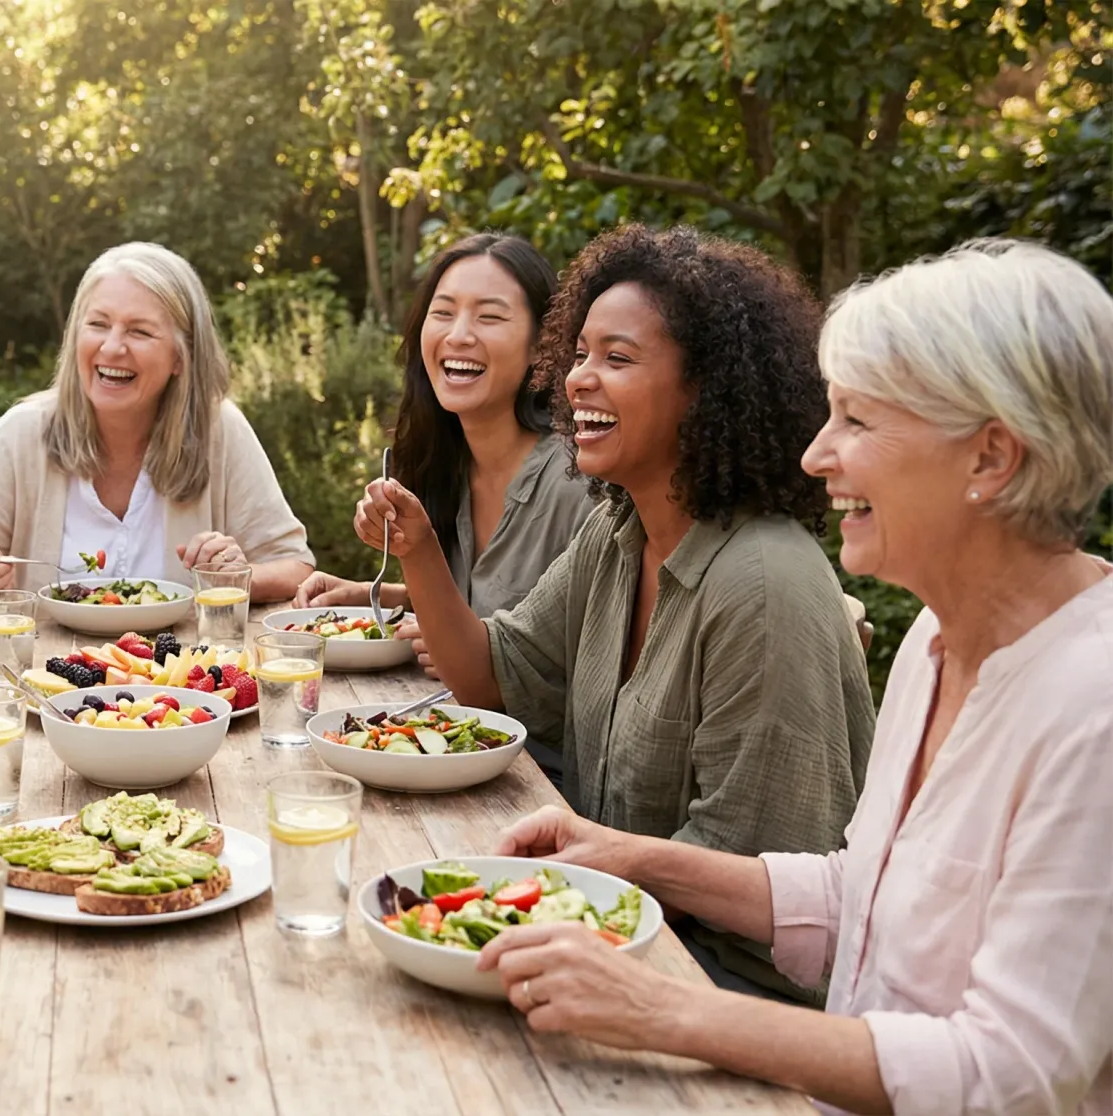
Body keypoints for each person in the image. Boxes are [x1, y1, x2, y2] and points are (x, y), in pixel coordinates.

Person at [477, 239, 1113, 1115]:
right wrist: (627, 856)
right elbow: (861, 901)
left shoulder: (1094, 706)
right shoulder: (940, 636)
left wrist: (669, 1011)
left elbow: (1012, 1075)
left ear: (990, 458)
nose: (817, 455)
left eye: (859, 421)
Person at [356, 225, 875, 1002]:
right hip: (609, 941)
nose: (577, 381)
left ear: (706, 390)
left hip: (719, 991)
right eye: (581, 354)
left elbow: (761, 892)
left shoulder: (761, 585)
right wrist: (422, 551)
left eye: (618, 359)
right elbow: (489, 678)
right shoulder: (617, 529)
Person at [294, 233, 596, 777]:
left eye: (490, 317)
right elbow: (497, 603)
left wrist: (457, 637)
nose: (459, 335)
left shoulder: (577, 482)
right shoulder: (448, 464)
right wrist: (386, 595)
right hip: (454, 755)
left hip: (544, 785)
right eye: (444, 313)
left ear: (541, 346)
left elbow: (544, 663)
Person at [0, 241, 315, 605]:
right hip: (44, 676)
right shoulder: (21, 433)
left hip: (181, 679)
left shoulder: (220, 431)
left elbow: (294, 567)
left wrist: (237, 577)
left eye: (139, 331)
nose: (111, 347)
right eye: (98, 324)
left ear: (181, 357)